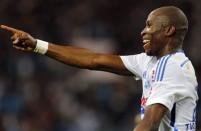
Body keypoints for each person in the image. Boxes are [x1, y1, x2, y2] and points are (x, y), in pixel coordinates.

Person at [0, 6, 198, 131]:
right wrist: (37, 45)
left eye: (149, 25)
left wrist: (142, 123)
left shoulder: (170, 68)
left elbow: (151, 121)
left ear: (169, 30)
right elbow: (94, 60)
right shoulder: (155, 62)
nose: (143, 31)